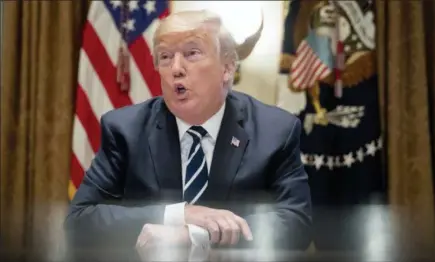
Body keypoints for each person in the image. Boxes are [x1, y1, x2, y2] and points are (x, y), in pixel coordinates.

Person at [65, 9, 312, 262]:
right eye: (165, 56)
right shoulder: (126, 130)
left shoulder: (275, 131)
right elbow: (79, 220)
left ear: (227, 68)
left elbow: (296, 223)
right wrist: (178, 215)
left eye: (192, 53)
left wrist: (195, 235)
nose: (176, 68)